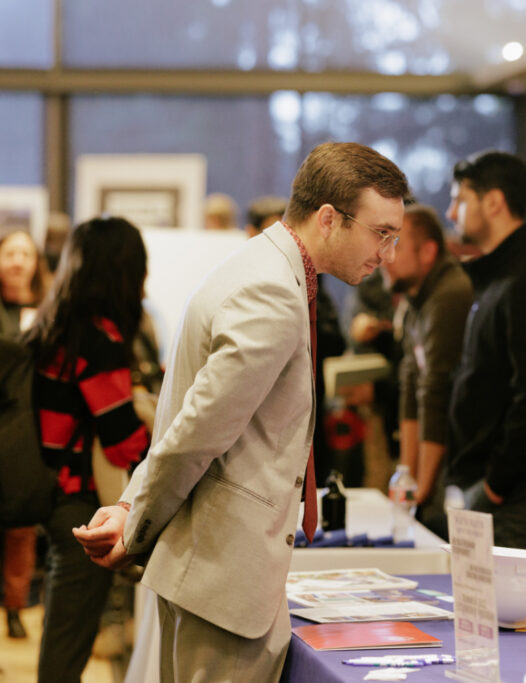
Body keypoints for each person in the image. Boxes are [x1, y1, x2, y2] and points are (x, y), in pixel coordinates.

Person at [73, 142, 408, 682]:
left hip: (212, 571)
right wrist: (134, 523)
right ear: (329, 218)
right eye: (382, 233)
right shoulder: (272, 291)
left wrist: (133, 501)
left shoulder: (265, 268)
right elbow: (196, 435)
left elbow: (188, 420)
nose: (387, 254)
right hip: (222, 582)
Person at [20, 217, 150, 681]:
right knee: (69, 638)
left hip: (52, 488)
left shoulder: (53, 324)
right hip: (81, 498)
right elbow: (120, 439)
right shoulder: (99, 338)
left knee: (65, 626)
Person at [443, 150, 526, 550]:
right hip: (484, 482)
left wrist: (496, 484)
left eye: (461, 200)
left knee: (509, 612)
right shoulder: (499, 277)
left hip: (506, 493)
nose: (451, 212)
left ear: (494, 202)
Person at [242, 194, 347, 486]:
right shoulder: (244, 281)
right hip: (259, 425)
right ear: (251, 234)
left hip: (308, 411)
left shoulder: (312, 277)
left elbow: (333, 342)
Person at [386, 204, 473, 523]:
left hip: (464, 464)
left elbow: (436, 388)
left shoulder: (451, 292)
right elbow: (411, 385)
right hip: (441, 459)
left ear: (428, 252)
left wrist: (420, 490)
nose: (386, 257)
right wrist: (406, 478)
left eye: (396, 245)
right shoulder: (414, 300)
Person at [0, 229, 52, 640]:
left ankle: (15, 607)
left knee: (19, 527)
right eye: (10, 253)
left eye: (25, 253)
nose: (17, 261)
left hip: (26, 431)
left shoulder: (49, 309)